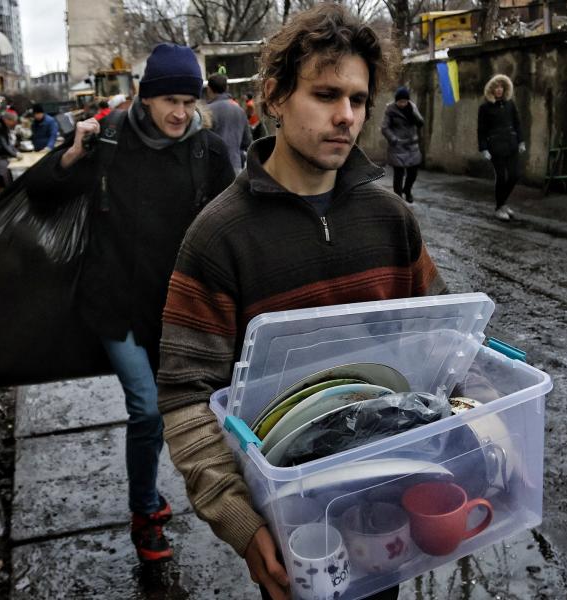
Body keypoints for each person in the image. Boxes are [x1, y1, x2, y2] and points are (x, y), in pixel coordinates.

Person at [156, 5, 446, 600]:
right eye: (325, 93)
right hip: (295, 528)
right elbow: (185, 396)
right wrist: (240, 519)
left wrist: (484, 427)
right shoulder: (217, 237)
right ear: (275, 97)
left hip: (388, 503)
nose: (346, 116)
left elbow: (443, 343)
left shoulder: (391, 218)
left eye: (359, 99)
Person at [24, 42, 235, 562]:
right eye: (170, 101)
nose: (180, 113)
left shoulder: (207, 152)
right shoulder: (110, 141)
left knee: (203, 407)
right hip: (115, 302)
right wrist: (70, 156)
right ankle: (145, 511)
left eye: (189, 101)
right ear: (145, 97)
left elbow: (236, 218)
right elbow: (40, 195)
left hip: (177, 309)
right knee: (146, 409)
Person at [477, 74, 526, 221]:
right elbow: (481, 130)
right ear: (491, 89)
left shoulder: (510, 104)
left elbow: (517, 124)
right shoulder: (485, 107)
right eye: (496, 87)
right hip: (495, 147)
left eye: (501, 87)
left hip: (511, 144)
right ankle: (499, 208)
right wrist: (484, 148)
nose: (499, 90)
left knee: (515, 175)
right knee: (502, 177)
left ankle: (503, 204)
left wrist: (521, 141)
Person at [381, 86, 425, 203]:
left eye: (404, 101)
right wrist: (393, 139)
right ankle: (398, 198)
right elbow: (385, 127)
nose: (402, 104)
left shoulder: (412, 107)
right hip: (398, 146)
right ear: (396, 101)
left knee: (413, 173)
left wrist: (413, 113)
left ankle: (407, 190)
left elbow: (420, 122)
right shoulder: (390, 110)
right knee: (399, 174)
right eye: (400, 101)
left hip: (412, 146)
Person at [204, 73, 252, 172]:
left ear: (208, 89)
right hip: (235, 166)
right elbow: (247, 141)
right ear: (227, 88)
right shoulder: (239, 110)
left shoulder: (207, 112)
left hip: (213, 169)